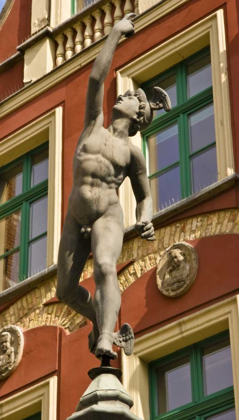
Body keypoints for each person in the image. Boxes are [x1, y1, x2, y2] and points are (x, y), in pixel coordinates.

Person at [57, 13, 171, 360]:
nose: (122, 95)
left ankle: (107, 335)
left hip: (107, 213)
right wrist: (114, 35)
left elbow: (145, 195)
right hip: (76, 216)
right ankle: (99, 318)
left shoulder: (131, 153)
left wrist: (145, 218)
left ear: (138, 116)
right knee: (64, 291)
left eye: (131, 97)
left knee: (106, 267)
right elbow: (95, 78)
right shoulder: (94, 126)